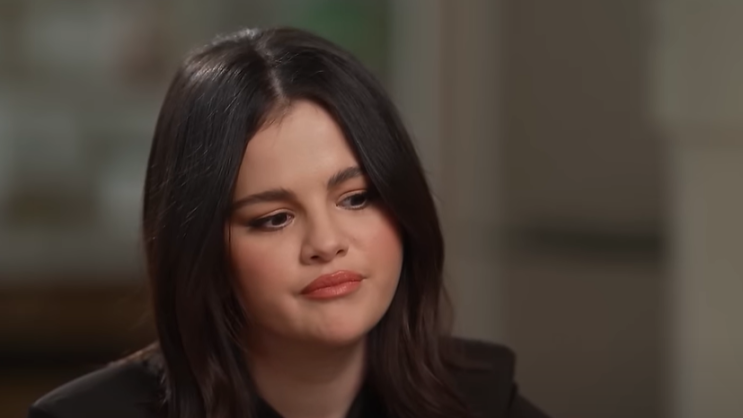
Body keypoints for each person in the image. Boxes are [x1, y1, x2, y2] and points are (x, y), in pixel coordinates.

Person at [27, 27, 551, 418]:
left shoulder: (480, 399)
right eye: (275, 219)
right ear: (202, 249)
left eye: (356, 199)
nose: (326, 243)